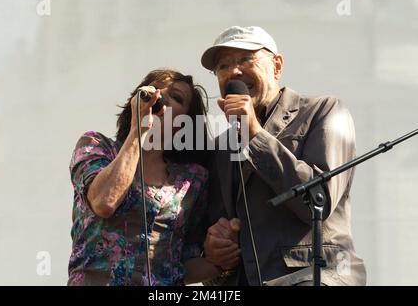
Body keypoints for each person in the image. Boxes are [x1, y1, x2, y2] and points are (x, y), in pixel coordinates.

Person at [200, 26, 366, 286]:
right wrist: (215, 246)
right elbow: (215, 223)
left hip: (311, 276)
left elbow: (318, 200)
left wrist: (254, 133)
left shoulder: (324, 111)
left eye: (245, 59)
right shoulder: (221, 146)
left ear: (277, 65)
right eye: (223, 66)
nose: (233, 71)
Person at [67, 69, 219, 285]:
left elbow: (184, 264)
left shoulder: (193, 180)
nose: (161, 95)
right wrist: (139, 130)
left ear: (185, 124)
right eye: (156, 88)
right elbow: (104, 202)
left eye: (176, 97)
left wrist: (221, 261)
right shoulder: (95, 146)